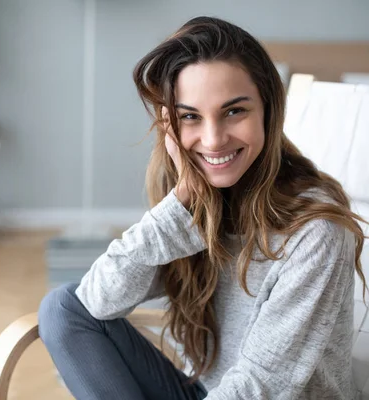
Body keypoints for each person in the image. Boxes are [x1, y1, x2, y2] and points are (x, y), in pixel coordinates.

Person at [37, 16, 368, 400]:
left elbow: (263, 387)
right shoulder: (194, 203)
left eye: (234, 111)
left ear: (268, 110)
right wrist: (178, 204)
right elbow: (97, 300)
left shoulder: (317, 231)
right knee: (63, 308)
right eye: (190, 116)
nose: (213, 140)